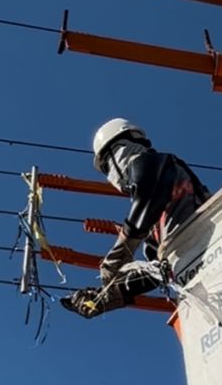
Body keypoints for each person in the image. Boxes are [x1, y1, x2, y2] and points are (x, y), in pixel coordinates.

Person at [60, 118, 210, 319]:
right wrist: (109, 295)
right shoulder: (156, 229)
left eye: (106, 167)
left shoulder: (157, 164)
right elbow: (157, 272)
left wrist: (121, 251)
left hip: (211, 246)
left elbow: (149, 196)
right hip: (198, 269)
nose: (110, 176)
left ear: (116, 152)